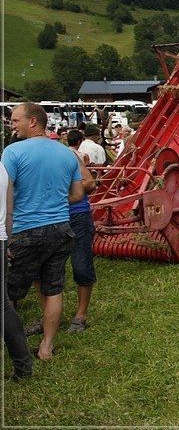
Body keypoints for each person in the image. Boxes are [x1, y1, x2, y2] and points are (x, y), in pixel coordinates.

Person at [2, 103, 83, 360]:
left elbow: (6, 199)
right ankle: (46, 348)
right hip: (61, 229)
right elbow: (78, 194)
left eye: (16, 120)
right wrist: (52, 202)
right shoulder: (67, 153)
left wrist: (6, 237)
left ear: (33, 121)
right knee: (53, 289)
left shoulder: (12, 152)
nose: (12, 125)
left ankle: (15, 353)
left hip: (26, 230)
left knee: (8, 295)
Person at [64, 129, 98, 332]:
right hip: (49, 218)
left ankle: (80, 315)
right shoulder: (15, 153)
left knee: (81, 264)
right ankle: (48, 314)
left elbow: (90, 183)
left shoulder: (65, 155)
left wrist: (59, 195)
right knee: (45, 270)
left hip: (76, 215)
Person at [1, 161, 32, 379]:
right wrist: (6, 243)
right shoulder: (2, 168)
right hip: (1, 238)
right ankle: (23, 366)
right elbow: (9, 213)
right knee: (3, 307)